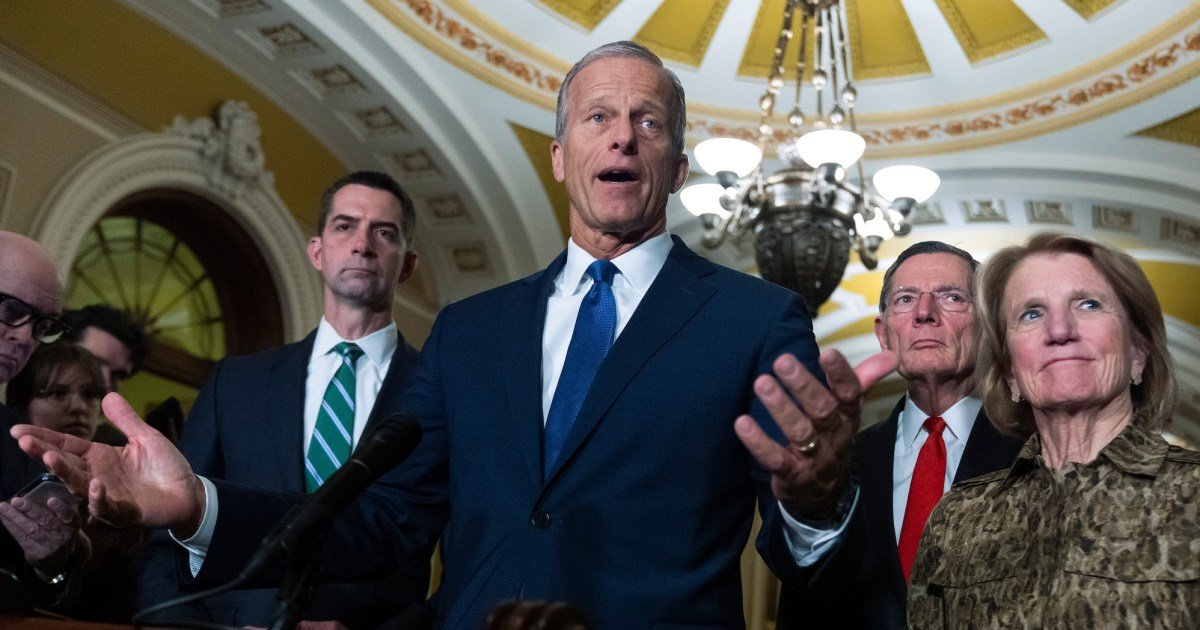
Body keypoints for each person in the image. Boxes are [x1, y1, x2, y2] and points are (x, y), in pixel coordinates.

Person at [14, 43, 896, 628]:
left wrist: (816, 502)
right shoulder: (472, 330)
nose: (623, 137)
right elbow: (384, 522)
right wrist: (197, 504)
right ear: (561, 156)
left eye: (649, 122)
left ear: (677, 165)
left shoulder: (754, 318)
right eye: (597, 117)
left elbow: (803, 552)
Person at [136, 170, 435, 628]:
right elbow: (166, 543)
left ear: (408, 264)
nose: (362, 244)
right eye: (345, 225)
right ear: (317, 251)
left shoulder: (437, 389)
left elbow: (470, 550)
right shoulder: (235, 384)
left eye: (384, 232)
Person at [908, 233, 1198, 627]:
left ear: (1137, 353)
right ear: (1010, 372)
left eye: (1089, 304)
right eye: (1032, 313)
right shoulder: (956, 520)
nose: (1059, 330)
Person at [774, 242, 1022, 628]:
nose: (924, 313)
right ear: (884, 334)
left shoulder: (1034, 451)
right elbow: (806, 597)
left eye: (952, 297)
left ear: (988, 326)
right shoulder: (837, 461)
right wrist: (809, 511)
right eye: (905, 299)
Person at [6, 342, 141, 622]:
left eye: (90, 394)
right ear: (21, 406)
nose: (78, 407)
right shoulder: (8, 483)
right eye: (57, 393)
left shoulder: (125, 492)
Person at [0, 231, 82, 609]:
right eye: (10, 310)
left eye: (42, 325)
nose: (23, 337)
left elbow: (52, 597)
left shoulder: (23, 447)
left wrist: (52, 566)